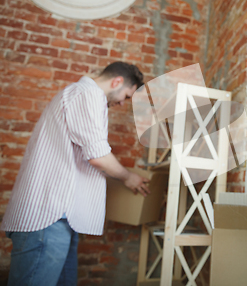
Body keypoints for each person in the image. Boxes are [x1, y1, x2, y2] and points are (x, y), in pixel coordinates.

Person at [1, 61, 151, 286]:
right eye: (126, 96)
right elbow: (98, 155)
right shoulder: (88, 94)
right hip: (48, 217)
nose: (122, 103)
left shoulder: (80, 94)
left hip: (60, 218)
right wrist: (128, 177)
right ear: (117, 81)